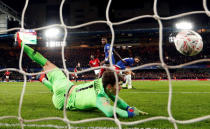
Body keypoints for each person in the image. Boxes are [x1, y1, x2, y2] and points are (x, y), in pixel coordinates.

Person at [16, 32, 148, 118]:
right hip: (63, 101)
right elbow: (109, 111)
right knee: (48, 69)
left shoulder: (102, 83)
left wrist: (128, 107)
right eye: (118, 85)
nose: (120, 87)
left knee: (46, 64)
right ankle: (42, 78)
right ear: (109, 86)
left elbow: (117, 100)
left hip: (65, 86)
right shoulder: (99, 98)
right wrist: (130, 114)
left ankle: (26, 52)